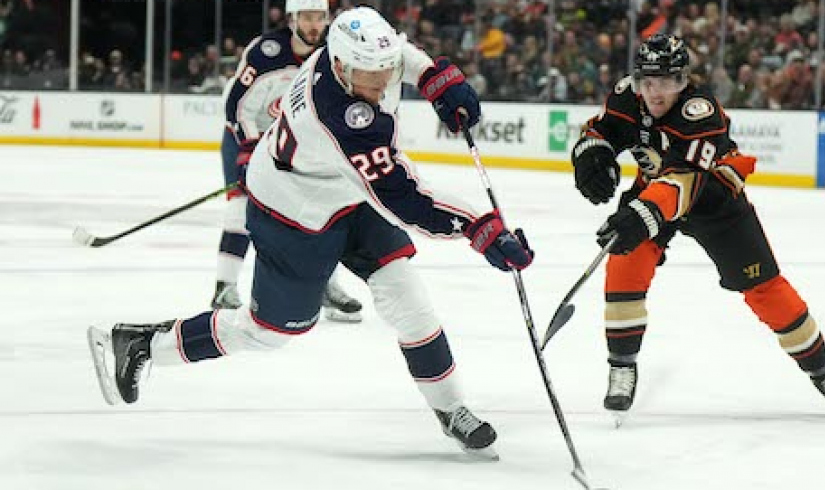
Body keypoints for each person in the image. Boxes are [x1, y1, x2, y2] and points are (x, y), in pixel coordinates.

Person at [88, 6, 533, 458]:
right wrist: (480, 227)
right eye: (369, 76)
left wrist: (437, 76)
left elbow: (399, 52)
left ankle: (451, 407)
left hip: (349, 193)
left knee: (409, 300)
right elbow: (405, 200)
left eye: (386, 72)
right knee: (270, 331)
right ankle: (145, 343)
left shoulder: (355, 57)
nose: (381, 84)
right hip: (293, 211)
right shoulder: (341, 117)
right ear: (339, 67)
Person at [569, 34, 825, 419]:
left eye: (666, 82)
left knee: (765, 289)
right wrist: (590, 154)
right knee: (625, 262)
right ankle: (622, 365)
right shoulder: (629, 95)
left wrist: (641, 215)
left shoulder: (701, 113)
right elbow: (602, 128)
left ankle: (824, 372)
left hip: (713, 200)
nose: (655, 92)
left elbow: (685, 183)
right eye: (647, 81)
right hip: (656, 193)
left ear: (684, 81)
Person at [214, 0, 363, 322]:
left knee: (328, 209)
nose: (314, 24)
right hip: (248, 136)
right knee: (240, 209)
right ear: (292, 19)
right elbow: (236, 107)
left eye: (320, 17)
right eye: (307, 17)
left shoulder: (332, 54)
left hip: (297, 145)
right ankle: (224, 287)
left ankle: (327, 286)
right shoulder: (266, 52)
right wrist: (249, 150)